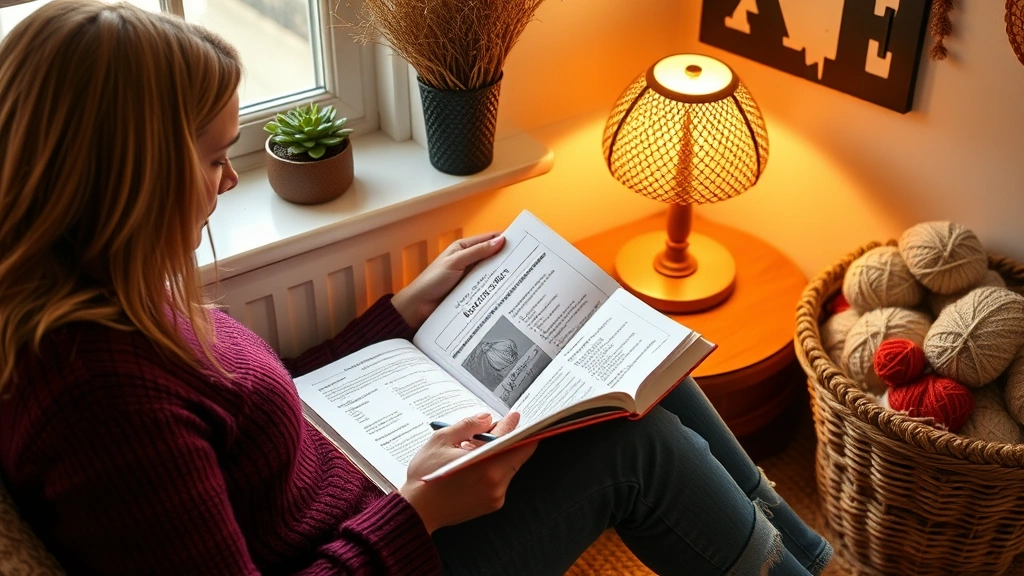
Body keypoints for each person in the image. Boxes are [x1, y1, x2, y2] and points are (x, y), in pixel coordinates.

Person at [0, 2, 831, 574]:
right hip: (384, 540)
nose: (227, 181)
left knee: (632, 362)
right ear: (128, 175)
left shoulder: (110, 286)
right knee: (634, 451)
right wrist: (419, 509)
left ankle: (809, 559)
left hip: (361, 481)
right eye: (215, 157)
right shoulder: (98, 402)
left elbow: (251, 406)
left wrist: (397, 317)